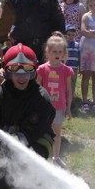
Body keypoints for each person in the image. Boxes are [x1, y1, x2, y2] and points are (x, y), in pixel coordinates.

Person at [0, 44, 55, 189]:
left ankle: (39, 179)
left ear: (33, 73)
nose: (21, 77)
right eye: (16, 72)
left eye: (26, 72)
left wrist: (10, 142)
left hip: (35, 145)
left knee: (25, 186)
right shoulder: (0, 94)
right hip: (7, 146)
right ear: (7, 73)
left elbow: (33, 130)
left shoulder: (41, 98)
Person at [0, 0, 65, 64]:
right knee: (21, 78)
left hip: (45, 49)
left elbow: (59, 24)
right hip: (20, 49)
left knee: (44, 79)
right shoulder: (12, 0)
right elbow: (4, 26)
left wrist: (58, 45)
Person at [37, 35, 73, 168]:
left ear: (64, 53)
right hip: (45, 108)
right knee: (42, 132)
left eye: (60, 52)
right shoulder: (42, 69)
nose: (57, 54)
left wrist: (68, 108)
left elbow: (69, 90)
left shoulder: (66, 70)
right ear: (48, 52)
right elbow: (37, 88)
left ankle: (56, 157)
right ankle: (42, 155)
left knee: (57, 132)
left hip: (59, 107)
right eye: (54, 51)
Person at [64, 25, 80, 102]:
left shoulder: (77, 45)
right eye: (69, 35)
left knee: (72, 83)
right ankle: (63, 99)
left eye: (73, 35)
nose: (71, 37)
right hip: (65, 67)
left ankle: (71, 100)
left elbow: (79, 57)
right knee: (64, 83)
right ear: (65, 34)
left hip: (74, 68)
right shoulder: (63, 45)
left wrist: (80, 67)